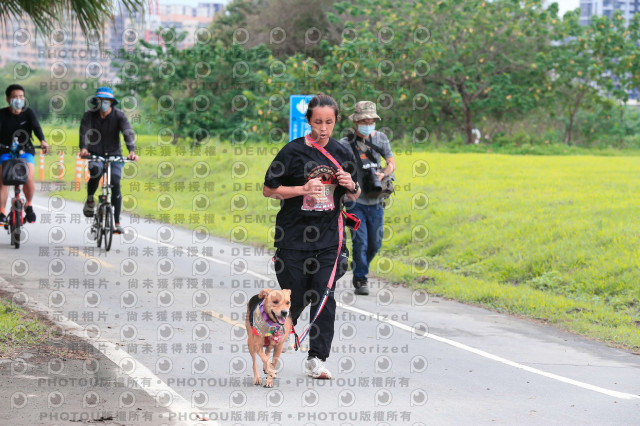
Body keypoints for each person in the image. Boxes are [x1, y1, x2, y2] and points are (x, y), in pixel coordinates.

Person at [263, 94, 360, 379]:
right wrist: (302, 190)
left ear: (336, 122)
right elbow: (269, 190)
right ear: (308, 121)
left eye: (329, 122)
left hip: (330, 238)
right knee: (295, 296)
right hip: (293, 237)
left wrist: (350, 183)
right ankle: (272, 334)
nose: (323, 128)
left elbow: (355, 193)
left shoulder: (343, 153)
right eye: (318, 122)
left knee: (324, 294)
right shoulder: (292, 152)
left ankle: (316, 358)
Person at [339, 101, 395, 296]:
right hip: (354, 202)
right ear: (356, 122)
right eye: (364, 120)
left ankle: (358, 266)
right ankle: (361, 278)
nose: (368, 123)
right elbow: (338, 169)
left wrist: (382, 174)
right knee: (360, 241)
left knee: (375, 244)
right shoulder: (345, 144)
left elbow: (391, 163)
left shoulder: (381, 138)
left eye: (371, 120)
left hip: (376, 201)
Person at [79, 86, 138, 234]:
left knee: (116, 182)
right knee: (96, 170)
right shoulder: (89, 115)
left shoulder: (119, 116)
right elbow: (84, 131)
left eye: (106, 100)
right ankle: (90, 199)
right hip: (95, 153)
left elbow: (127, 132)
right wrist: (84, 148)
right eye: (100, 100)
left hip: (114, 154)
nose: (103, 103)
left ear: (111, 102)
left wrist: (131, 150)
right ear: (96, 101)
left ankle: (116, 222)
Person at [0, 84, 50, 223]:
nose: (18, 99)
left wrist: (43, 141)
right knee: (3, 181)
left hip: (25, 150)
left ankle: (29, 205)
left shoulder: (28, 113)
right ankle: (2, 211)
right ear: (8, 99)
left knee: (27, 177)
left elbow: (36, 127)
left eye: (21, 97)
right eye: (15, 97)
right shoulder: (2, 114)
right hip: (5, 150)